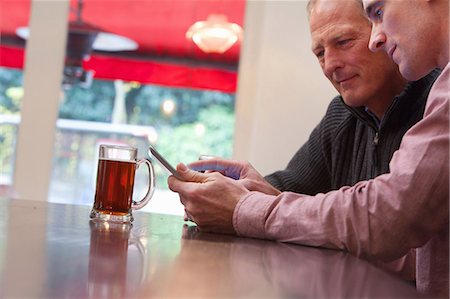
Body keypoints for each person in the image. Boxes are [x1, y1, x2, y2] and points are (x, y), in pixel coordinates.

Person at [168, 0, 449, 297]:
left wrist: (243, 208)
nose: (329, 65)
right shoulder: (342, 115)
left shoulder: (436, 100)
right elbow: (299, 195)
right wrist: (245, 193)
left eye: (343, 42)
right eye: (319, 53)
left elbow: (386, 218)